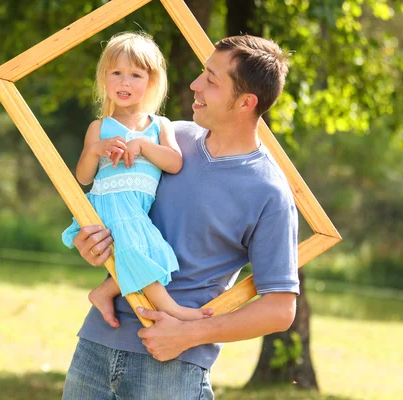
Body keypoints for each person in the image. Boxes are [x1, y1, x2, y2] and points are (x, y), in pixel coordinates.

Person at [62, 34, 300, 400]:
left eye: (212, 79)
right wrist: (92, 242)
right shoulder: (168, 137)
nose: (195, 84)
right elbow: (118, 209)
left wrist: (190, 334)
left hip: (171, 367)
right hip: (96, 343)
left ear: (246, 102)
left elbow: (279, 310)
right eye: (203, 72)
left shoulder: (268, 191)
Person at [62, 31, 214, 324]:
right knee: (134, 246)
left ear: (151, 82)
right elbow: (83, 177)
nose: (124, 82)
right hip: (109, 202)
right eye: (116, 73)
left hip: (137, 208)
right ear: (104, 79)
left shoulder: (159, 125)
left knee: (147, 249)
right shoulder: (100, 127)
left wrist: (142, 145)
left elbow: (174, 163)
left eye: (135, 75)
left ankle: (105, 291)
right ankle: (169, 307)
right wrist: (96, 151)